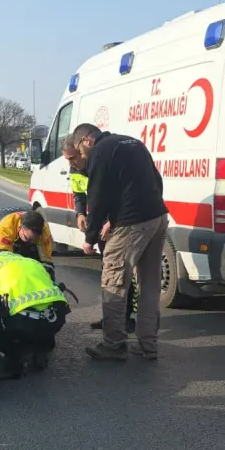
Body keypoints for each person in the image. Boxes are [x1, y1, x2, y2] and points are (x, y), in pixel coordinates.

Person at [70, 123, 168, 361]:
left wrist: (89, 238)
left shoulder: (101, 152)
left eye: (80, 152)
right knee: (150, 285)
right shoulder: (133, 142)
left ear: (86, 141)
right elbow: (158, 180)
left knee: (113, 282)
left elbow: (97, 197)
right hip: (157, 217)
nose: (82, 157)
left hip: (130, 224)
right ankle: (148, 346)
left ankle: (113, 345)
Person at [63, 137, 138, 334]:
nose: (71, 164)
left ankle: (125, 318)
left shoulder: (100, 164)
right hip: (101, 222)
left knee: (119, 271)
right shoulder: (76, 169)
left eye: (72, 158)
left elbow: (119, 196)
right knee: (108, 271)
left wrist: (110, 221)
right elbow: (80, 194)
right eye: (67, 160)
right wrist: (80, 213)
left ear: (82, 151)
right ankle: (111, 318)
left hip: (117, 221)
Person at [0, 251, 69, 377]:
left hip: (25, 322)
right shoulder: (31, 261)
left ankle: (12, 354)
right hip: (56, 316)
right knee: (39, 316)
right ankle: (41, 346)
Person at [0, 207, 55, 279]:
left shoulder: (45, 230)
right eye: (28, 238)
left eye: (34, 240)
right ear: (21, 227)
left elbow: (47, 259)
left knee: (33, 259)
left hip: (15, 233)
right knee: (1, 269)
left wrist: (49, 276)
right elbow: (4, 259)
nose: (31, 242)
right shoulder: (5, 229)